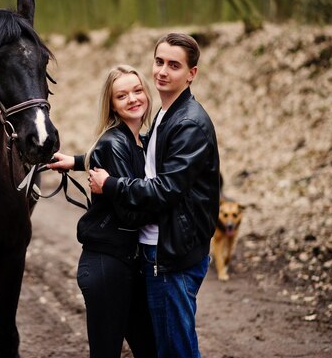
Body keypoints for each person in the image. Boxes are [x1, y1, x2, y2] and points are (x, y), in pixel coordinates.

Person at [88, 33, 220, 358]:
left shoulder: (189, 124)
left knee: (177, 351)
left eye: (173, 65)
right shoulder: (166, 113)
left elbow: (165, 189)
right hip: (159, 249)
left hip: (171, 255)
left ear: (192, 73)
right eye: (159, 61)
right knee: (164, 346)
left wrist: (111, 185)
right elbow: (139, 155)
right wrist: (81, 161)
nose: (162, 71)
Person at [50, 65, 157, 358]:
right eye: (121, 95)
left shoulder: (141, 141)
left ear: (147, 92)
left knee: (150, 349)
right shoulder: (114, 141)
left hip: (127, 263)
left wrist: (76, 161)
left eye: (137, 90)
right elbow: (131, 215)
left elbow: (113, 162)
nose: (133, 99)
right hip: (106, 265)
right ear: (111, 104)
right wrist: (166, 206)